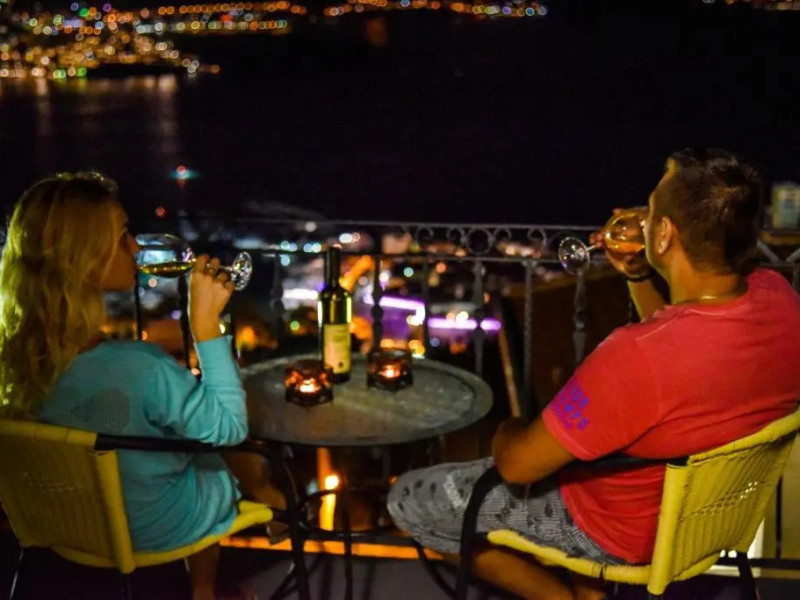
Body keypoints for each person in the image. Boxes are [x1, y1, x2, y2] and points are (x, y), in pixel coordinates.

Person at [387, 148, 800, 600]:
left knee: (409, 498)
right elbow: (682, 343)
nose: (641, 220)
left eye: (651, 210)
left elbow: (518, 467)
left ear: (665, 234)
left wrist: (508, 429)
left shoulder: (634, 356)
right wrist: (638, 276)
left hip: (615, 528)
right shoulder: (779, 297)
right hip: (706, 517)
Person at [0, 172, 282, 600]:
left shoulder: (12, 361)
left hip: (60, 523)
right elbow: (229, 428)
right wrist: (205, 326)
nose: (135, 249)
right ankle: (205, 589)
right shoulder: (138, 366)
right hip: (151, 530)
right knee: (212, 455)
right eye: (122, 238)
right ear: (85, 258)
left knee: (189, 436)